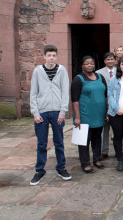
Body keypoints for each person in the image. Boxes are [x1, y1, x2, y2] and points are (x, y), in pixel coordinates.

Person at [29, 45, 71, 185]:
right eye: (49, 55)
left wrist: (62, 111)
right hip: (42, 112)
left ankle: (61, 168)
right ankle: (39, 170)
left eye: (54, 55)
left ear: (56, 56)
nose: (51, 58)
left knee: (59, 142)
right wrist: (35, 112)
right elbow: (33, 93)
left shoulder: (62, 71)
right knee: (42, 143)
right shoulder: (38, 71)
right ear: (44, 57)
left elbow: (65, 92)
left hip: (57, 112)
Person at [72, 56, 107, 173]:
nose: (90, 65)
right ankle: (85, 163)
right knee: (84, 141)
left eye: (91, 63)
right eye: (87, 63)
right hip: (84, 115)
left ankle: (96, 159)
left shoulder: (100, 77)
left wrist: (106, 111)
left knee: (97, 138)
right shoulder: (78, 79)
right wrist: (77, 117)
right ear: (82, 65)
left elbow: (105, 95)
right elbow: (75, 100)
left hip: (99, 114)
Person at [96, 52, 117, 161]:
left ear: (115, 60)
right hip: (104, 104)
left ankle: (120, 150)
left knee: (118, 130)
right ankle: (104, 151)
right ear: (104, 61)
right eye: (108, 59)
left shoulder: (120, 71)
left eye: (112, 59)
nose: (110, 61)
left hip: (118, 105)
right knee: (104, 129)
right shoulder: (98, 73)